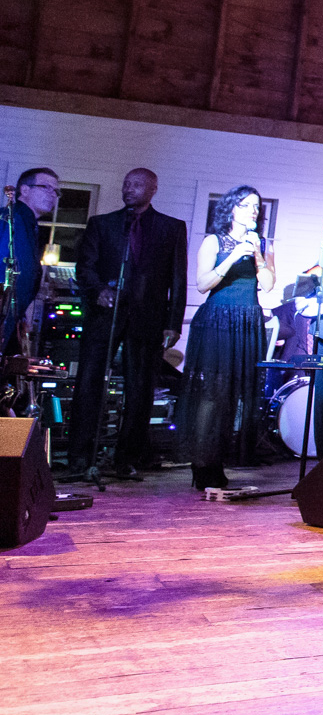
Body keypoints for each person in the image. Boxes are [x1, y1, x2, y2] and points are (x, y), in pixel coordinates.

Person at [70, 168, 189, 482]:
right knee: (89, 383)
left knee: (140, 389)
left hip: (147, 318)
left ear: (152, 189)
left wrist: (172, 322)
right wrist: (98, 291)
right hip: (104, 316)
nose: (129, 189)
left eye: (136, 185)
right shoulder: (103, 224)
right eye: (125, 184)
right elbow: (85, 267)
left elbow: (178, 278)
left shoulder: (171, 228)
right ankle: (81, 457)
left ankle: (127, 458)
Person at [178, 185, 276, 491]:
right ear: (231, 209)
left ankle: (219, 461)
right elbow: (203, 284)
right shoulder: (214, 241)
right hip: (219, 322)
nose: (252, 211)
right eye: (246, 205)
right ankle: (202, 463)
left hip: (247, 321)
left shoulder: (261, 244)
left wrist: (258, 254)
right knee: (212, 394)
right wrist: (233, 255)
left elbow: (270, 285)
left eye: (257, 207)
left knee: (236, 395)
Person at [3, 168, 56, 359]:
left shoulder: (31, 227)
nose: (53, 194)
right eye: (46, 187)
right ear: (24, 190)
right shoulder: (8, 219)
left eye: (56, 191)